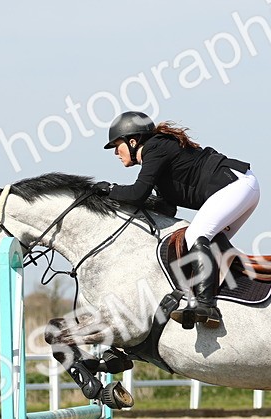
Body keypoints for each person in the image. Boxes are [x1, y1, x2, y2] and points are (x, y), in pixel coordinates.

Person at [92, 111, 260, 329]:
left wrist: (109, 190)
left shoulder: (154, 147)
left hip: (235, 185)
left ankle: (206, 306)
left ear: (132, 141)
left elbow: (136, 193)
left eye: (117, 145)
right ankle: (235, 299)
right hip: (242, 187)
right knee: (211, 245)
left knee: (196, 235)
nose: (116, 152)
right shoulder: (157, 157)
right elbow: (166, 207)